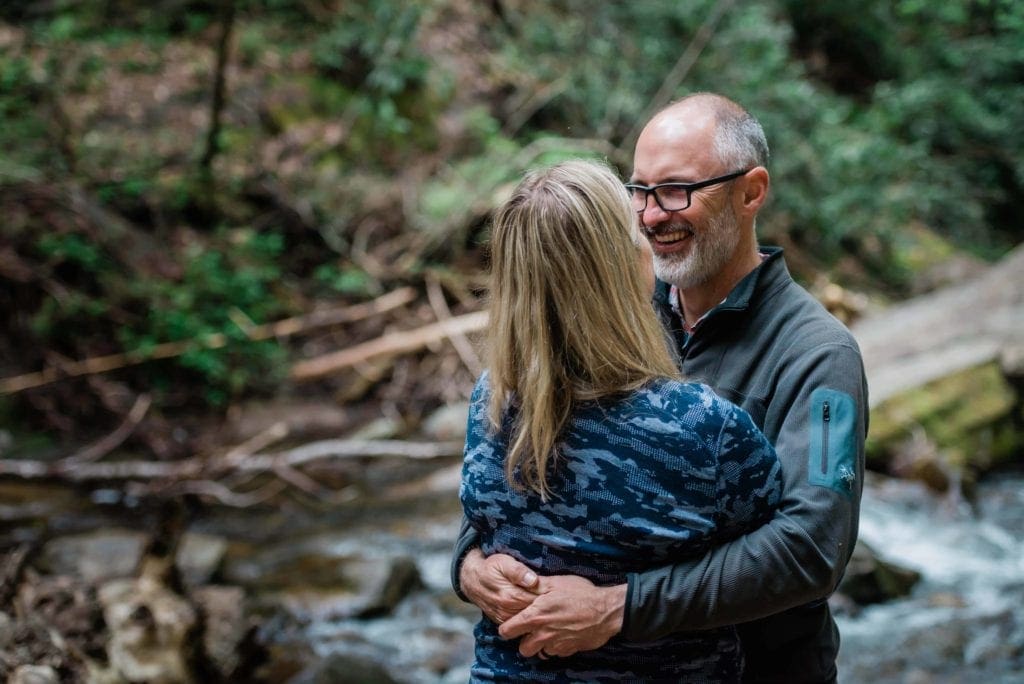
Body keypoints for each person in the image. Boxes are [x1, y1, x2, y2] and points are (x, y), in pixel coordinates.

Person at [452, 93, 869, 684]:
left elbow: (811, 549)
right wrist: (469, 562)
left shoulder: (820, 354)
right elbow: (511, 471)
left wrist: (619, 607)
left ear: (751, 192)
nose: (650, 216)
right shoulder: (608, 317)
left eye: (676, 190)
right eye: (639, 191)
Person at [460, 158, 784, 681]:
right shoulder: (706, 429)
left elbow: (482, 519)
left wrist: (467, 566)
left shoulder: (491, 402)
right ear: (625, 265)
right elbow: (777, 555)